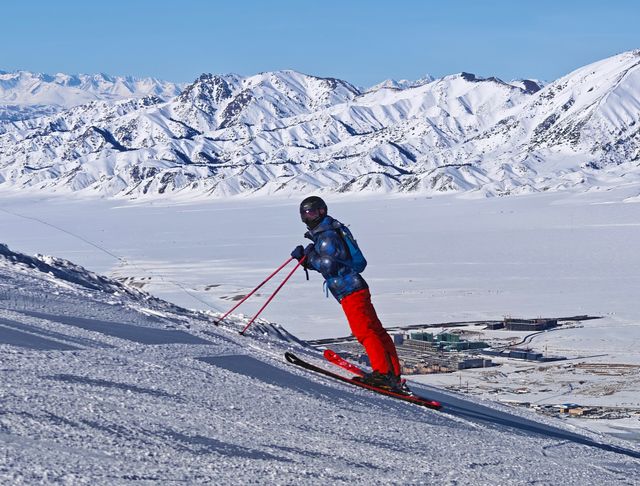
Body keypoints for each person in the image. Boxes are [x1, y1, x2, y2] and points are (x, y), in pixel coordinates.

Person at [291, 196, 403, 391]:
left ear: (322, 211)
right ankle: (391, 373)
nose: (309, 218)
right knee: (375, 330)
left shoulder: (326, 236)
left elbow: (329, 265)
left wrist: (308, 258)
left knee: (365, 332)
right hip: (356, 288)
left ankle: (384, 374)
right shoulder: (330, 230)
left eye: (312, 213)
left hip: (349, 290)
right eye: (305, 214)